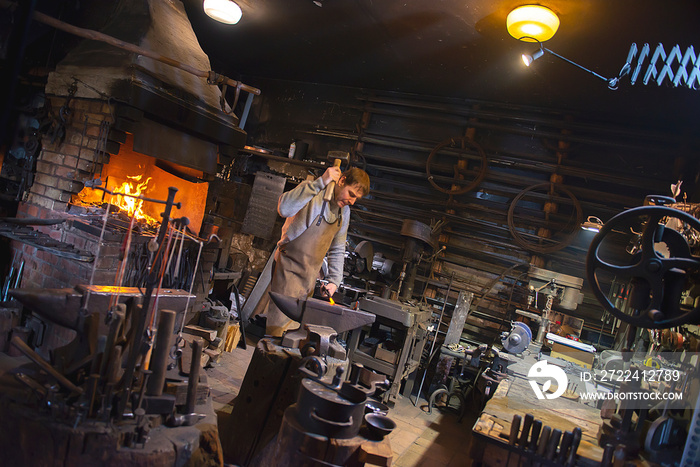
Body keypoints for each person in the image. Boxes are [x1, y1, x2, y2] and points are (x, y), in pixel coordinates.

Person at [262, 166, 370, 337]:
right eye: (351, 194)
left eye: (356, 199)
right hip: (287, 269)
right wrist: (320, 183)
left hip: (309, 278)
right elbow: (283, 208)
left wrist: (334, 280)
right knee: (278, 332)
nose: (352, 201)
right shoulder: (313, 190)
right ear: (341, 181)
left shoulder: (344, 212)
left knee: (297, 335)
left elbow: (337, 248)